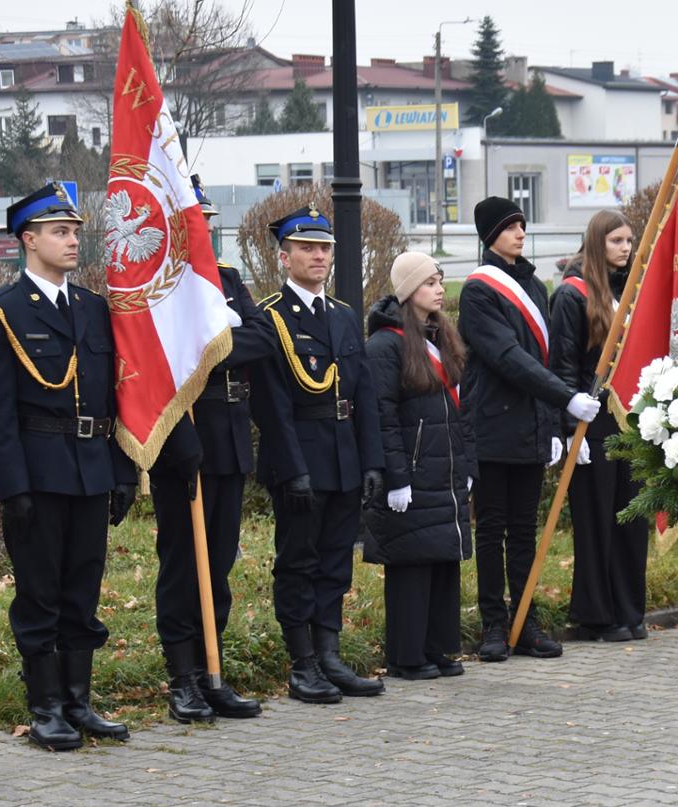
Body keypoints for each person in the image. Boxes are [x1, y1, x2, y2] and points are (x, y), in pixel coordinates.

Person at [0, 181, 139, 750]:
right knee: (40, 592)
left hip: (92, 467)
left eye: (74, 233)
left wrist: (122, 472)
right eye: (60, 232)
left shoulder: (93, 308)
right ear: (29, 239)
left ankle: (78, 701)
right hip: (38, 472)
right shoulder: (0, 310)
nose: (72, 242)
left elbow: (115, 397)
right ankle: (44, 707)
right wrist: (12, 486)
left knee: (82, 590)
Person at [251, 206, 387, 702]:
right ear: (284, 257)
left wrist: (373, 461)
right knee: (297, 562)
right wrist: (292, 470)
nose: (319, 256)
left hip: (344, 456)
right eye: (307, 247)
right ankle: (301, 661)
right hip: (300, 459)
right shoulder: (271, 318)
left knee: (335, 562)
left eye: (325, 247)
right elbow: (272, 406)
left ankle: (329, 653)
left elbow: (364, 395)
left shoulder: (345, 316)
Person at [144, 178, 267, 722]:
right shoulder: (161, 288)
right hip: (183, 438)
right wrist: (221, 336)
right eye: (198, 222)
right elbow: (155, 363)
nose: (208, 230)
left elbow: (263, 340)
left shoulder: (229, 278)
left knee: (216, 565)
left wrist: (216, 336)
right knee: (180, 564)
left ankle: (213, 670)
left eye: (210, 221)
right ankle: (183, 678)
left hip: (231, 437)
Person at [458, 196, 602, 662]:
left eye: (522, 224)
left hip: (531, 427)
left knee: (525, 531)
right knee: (492, 529)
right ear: (490, 235)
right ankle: (493, 626)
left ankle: (525, 621)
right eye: (510, 226)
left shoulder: (535, 286)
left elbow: (544, 359)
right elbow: (506, 358)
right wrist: (565, 398)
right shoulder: (479, 291)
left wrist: (556, 425)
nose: (521, 232)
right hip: (494, 426)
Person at [362, 253, 476, 680]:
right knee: (412, 563)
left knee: (443, 559)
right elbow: (382, 414)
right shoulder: (386, 345)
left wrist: (466, 463)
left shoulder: (442, 337)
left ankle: (440, 647)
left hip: (443, 470)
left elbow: (462, 408)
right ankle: (407, 656)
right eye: (429, 282)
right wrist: (396, 476)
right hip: (411, 470)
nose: (439, 289)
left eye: (439, 280)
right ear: (410, 291)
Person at [550, 211, 650, 642]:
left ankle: (629, 610)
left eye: (629, 240)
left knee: (631, 517)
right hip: (592, 420)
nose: (626, 248)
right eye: (616, 241)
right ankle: (598, 615)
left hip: (628, 420)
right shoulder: (572, 295)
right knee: (597, 521)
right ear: (597, 243)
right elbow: (564, 365)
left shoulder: (624, 292)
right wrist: (571, 427)